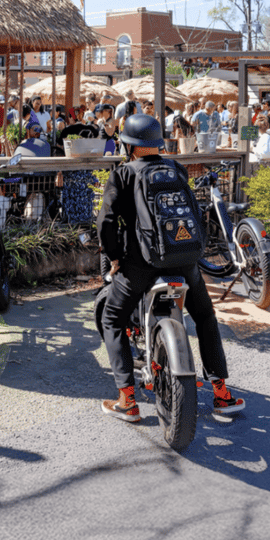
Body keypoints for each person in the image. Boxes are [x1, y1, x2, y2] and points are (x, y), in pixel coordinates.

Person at [96, 114, 244, 423]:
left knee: (112, 319)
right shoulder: (175, 168)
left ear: (130, 146)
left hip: (141, 264)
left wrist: (113, 257)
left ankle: (128, 400)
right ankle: (222, 393)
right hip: (185, 261)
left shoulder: (123, 174)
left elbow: (107, 222)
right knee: (204, 316)